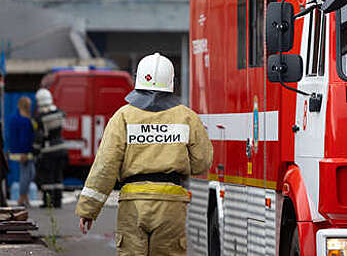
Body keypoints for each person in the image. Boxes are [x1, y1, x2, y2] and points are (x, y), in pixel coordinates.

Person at [75, 52, 213, 256]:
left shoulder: (123, 116)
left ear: (138, 79)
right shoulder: (187, 117)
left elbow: (105, 166)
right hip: (172, 205)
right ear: (171, 82)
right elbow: (202, 162)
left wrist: (88, 210)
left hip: (133, 205)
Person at [33, 88, 68, 208]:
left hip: (48, 151)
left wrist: (35, 150)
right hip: (62, 149)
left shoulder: (40, 117)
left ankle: (48, 202)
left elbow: (39, 137)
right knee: (58, 176)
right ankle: (58, 201)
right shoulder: (59, 113)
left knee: (47, 177)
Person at [7, 97, 35, 207]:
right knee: (27, 174)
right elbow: (24, 138)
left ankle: (24, 196)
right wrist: (24, 152)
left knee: (29, 173)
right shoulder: (24, 120)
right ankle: (22, 197)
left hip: (19, 150)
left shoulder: (15, 118)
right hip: (24, 151)